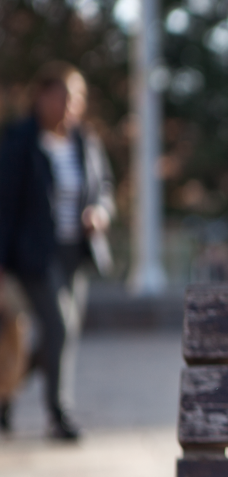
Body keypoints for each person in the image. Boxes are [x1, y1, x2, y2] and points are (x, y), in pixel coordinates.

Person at [0, 62, 116, 440]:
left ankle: (5, 395)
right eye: (61, 97)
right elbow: (5, 205)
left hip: (75, 253)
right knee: (59, 327)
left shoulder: (86, 141)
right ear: (42, 97)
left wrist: (99, 211)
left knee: (59, 335)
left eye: (75, 99)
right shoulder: (19, 141)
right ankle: (59, 414)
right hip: (34, 255)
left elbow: (104, 188)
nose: (68, 106)